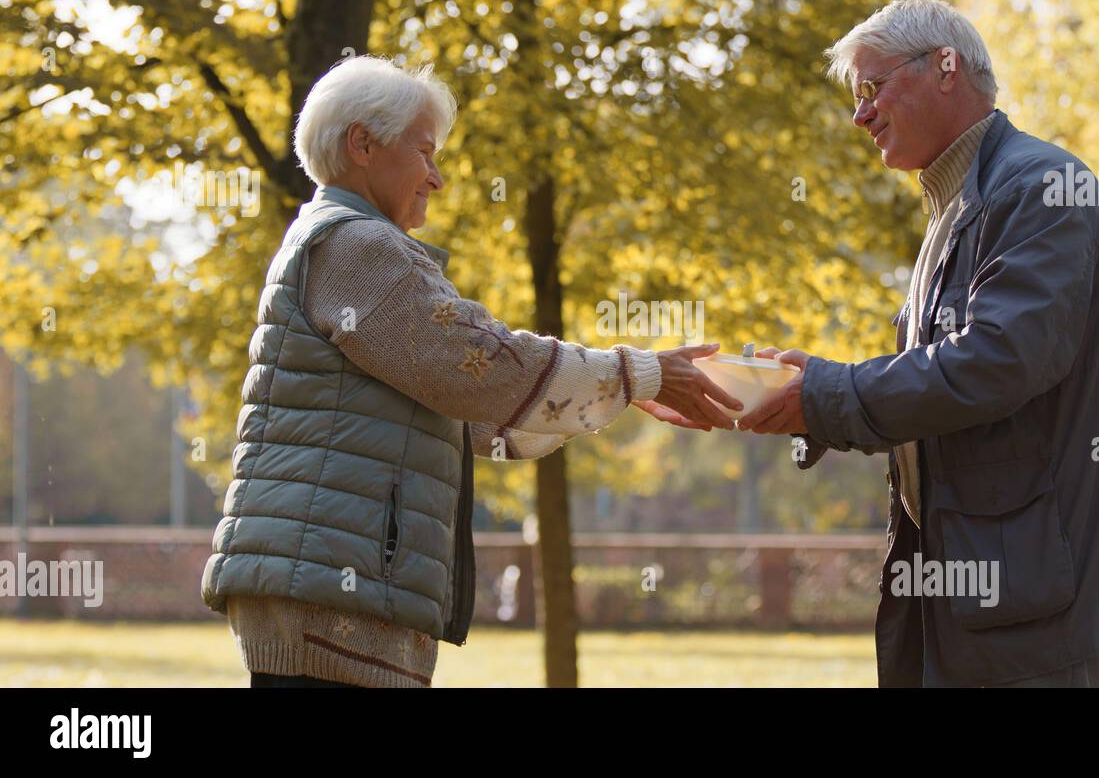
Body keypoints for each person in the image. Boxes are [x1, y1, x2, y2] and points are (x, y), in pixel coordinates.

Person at [200, 55, 741, 688]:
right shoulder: (357, 246)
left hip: (327, 583)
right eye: (425, 153)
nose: (437, 178)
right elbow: (484, 370)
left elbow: (470, 414)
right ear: (363, 144)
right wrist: (640, 373)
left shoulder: (341, 241)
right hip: (327, 588)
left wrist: (615, 392)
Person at [738, 0, 1099, 687]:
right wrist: (814, 397)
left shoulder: (1044, 187)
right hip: (982, 582)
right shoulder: (962, 203)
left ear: (946, 66)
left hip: (1035, 600)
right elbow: (948, 373)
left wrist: (829, 393)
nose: (859, 114)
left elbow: (996, 362)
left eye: (871, 87)